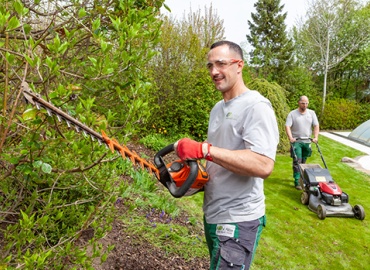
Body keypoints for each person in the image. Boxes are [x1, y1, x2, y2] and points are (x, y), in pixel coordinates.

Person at [174, 41, 279, 270]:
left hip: (239, 218)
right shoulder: (217, 109)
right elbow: (220, 161)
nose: (214, 71)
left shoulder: (256, 106)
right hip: (213, 213)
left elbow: (263, 164)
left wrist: (204, 150)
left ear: (239, 65)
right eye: (210, 65)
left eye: (221, 63)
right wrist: (193, 180)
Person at [285, 96, 319, 190]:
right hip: (297, 141)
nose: (305, 105)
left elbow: (316, 125)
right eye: (303, 103)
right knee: (297, 161)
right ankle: (297, 181)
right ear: (299, 103)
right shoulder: (292, 114)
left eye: (306, 103)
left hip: (307, 141)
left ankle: (302, 178)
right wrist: (291, 137)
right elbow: (287, 126)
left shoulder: (312, 113)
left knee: (303, 162)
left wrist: (315, 137)